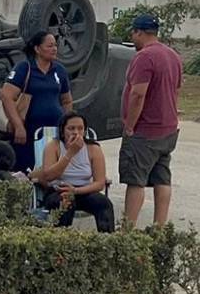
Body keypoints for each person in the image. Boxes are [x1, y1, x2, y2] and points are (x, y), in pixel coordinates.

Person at [119, 13, 183, 227]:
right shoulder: (172, 55)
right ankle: (160, 226)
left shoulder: (144, 57)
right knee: (162, 177)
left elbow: (138, 94)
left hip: (145, 130)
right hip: (168, 128)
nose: (132, 36)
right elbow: (176, 89)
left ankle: (128, 228)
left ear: (138, 32)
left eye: (133, 32)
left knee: (135, 180)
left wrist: (130, 125)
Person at [0, 31, 72, 170]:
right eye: (49, 46)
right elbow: (6, 96)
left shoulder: (59, 70)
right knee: (27, 169)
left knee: (52, 168)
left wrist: (67, 124)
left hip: (53, 132)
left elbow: (66, 100)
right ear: (37, 49)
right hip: (28, 133)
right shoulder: (24, 68)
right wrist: (18, 126)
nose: (54, 49)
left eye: (55, 45)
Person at [33, 111, 114, 232]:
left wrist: (75, 190)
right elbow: (49, 176)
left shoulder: (93, 149)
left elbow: (100, 183)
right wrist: (70, 153)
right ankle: (63, 242)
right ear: (62, 131)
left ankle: (108, 242)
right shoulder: (53, 146)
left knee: (104, 204)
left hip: (84, 191)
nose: (76, 132)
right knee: (65, 203)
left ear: (85, 131)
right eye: (71, 128)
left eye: (80, 128)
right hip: (58, 191)